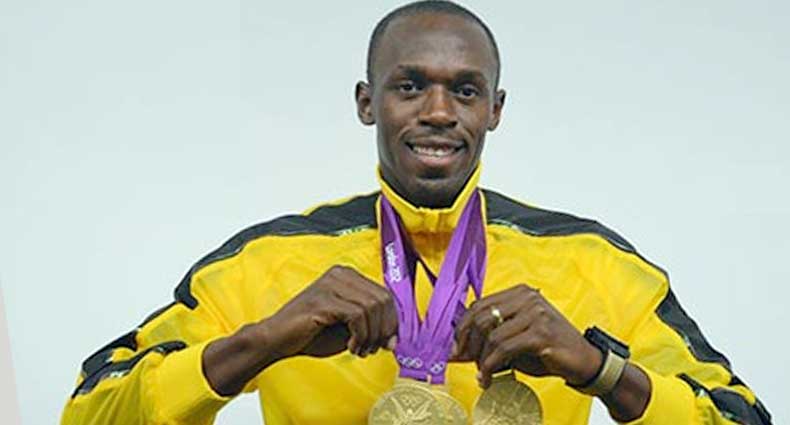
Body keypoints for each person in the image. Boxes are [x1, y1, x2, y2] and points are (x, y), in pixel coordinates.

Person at [60, 1, 772, 424]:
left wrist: (598, 369)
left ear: (495, 109)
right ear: (366, 102)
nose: (437, 111)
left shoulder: (594, 262)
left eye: (465, 90)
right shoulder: (265, 263)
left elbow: (742, 417)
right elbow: (88, 412)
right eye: (409, 86)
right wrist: (264, 340)